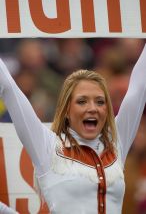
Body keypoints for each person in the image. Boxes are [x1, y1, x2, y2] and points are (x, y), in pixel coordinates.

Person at [0, 44, 146, 214]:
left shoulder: (116, 140)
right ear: (67, 110)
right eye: (82, 101)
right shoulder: (47, 146)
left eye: (100, 102)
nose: (93, 108)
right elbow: (8, 87)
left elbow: (140, 86)